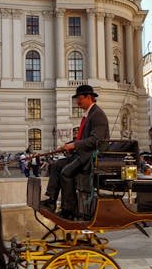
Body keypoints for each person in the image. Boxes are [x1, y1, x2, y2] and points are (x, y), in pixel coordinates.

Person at [40, 84, 110, 219]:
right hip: (82, 154)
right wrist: (68, 145)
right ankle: (51, 201)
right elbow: (84, 140)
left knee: (66, 173)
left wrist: (73, 146)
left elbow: (95, 140)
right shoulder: (89, 115)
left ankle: (69, 210)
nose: (77, 102)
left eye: (79, 98)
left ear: (88, 97)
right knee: (56, 166)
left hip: (91, 157)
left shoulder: (97, 115)